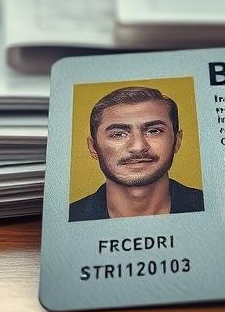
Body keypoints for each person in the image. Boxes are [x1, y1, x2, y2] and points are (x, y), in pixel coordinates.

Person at [69, 85, 205, 221]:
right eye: (118, 134)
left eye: (154, 131)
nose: (138, 147)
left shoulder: (212, 207)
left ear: (177, 140)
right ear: (93, 147)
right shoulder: (69, 218)